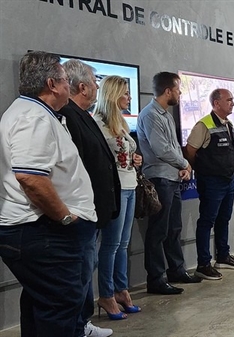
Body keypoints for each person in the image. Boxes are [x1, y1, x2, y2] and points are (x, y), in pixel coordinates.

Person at [0, 51, 97, 337]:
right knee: (60, 309)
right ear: (52, 84)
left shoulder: (35, 113)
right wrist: (66, 218)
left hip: (40, 231)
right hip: (44, 232)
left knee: (42, 305)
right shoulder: (33, 117)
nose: (70, 86)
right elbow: (30, 178)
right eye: (66, 80)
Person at [60, 59, 118, 336]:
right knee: (81, 270)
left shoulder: (82, 114)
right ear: (82, 87)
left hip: (93, 209)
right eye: (95, 82)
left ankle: (82, 323)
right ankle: (78, 326)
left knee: (86, 266)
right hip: (81, 210)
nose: (97, 87)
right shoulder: (69, 116)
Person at [138, 72, 200, 295]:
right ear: (167, 91)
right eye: (177, 89)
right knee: (158, 231)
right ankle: (156, 278)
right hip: (159, 178)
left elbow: (172, 146)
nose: (180, 93)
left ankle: (176, 269)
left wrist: (182, 167)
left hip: (172, 177)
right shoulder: (150, 115)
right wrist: (185, 163)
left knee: (174, 228)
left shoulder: (166, 114)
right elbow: (161, 149)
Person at [94, 76, 143, 319]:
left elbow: (128, 151)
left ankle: (121, 290)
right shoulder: (97, 124)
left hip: (130, 186)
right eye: (126, 94)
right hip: (114, 191)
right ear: (113, 96)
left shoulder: (121, 122)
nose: (130, 98)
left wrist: (137, 159)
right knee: (111, 245)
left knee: (123, 245)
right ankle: (106, 294)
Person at [184, 88, 234, 280]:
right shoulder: (204, 124)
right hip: (211, 181)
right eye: (229, 100)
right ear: (217, 103)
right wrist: (200, 168)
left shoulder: (228, 124)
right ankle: (203, 264)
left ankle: (223, 256)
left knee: (223, 219)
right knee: (207, 220)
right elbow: (191, 150)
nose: (233, 103)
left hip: (228, 179)